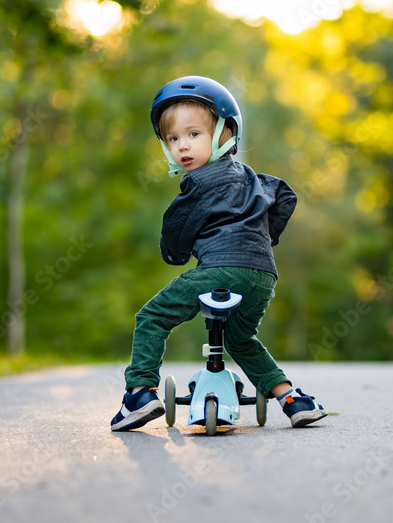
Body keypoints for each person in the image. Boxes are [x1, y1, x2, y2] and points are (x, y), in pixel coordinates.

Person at [111, 75, 327, 432]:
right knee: (240, 339)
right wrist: (260, 238)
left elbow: (175, 235)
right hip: (262, 274)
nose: (182, 146)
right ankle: (293, 399)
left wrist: (176, 255)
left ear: (225, 133)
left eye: (194, 134)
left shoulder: (197, 183)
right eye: (173, 138)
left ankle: (139, 393)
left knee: (152, 317)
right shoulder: (252, 177)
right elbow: (286, 196)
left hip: (219, 269)